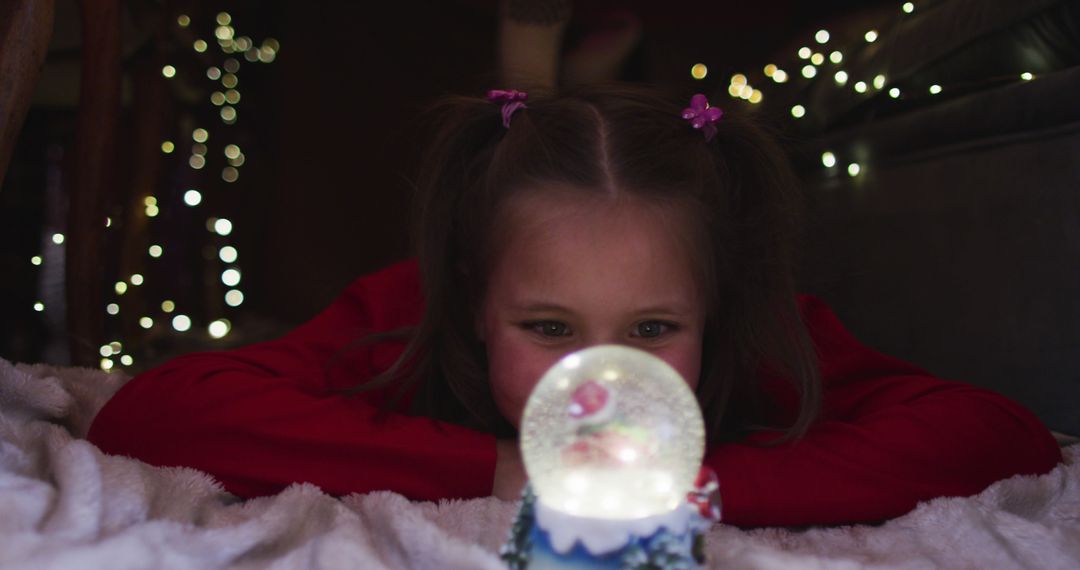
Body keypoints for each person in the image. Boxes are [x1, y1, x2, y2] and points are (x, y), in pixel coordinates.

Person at [87, 83, 1062, 527]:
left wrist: (699, 489)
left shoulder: (761, 332)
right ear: (475, 301)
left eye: (652, 329)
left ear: (713, 308)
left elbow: (995, 433)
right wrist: (511, 471)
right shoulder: (410, 312)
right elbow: (160, 408)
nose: (599, 382)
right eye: (548, 329)